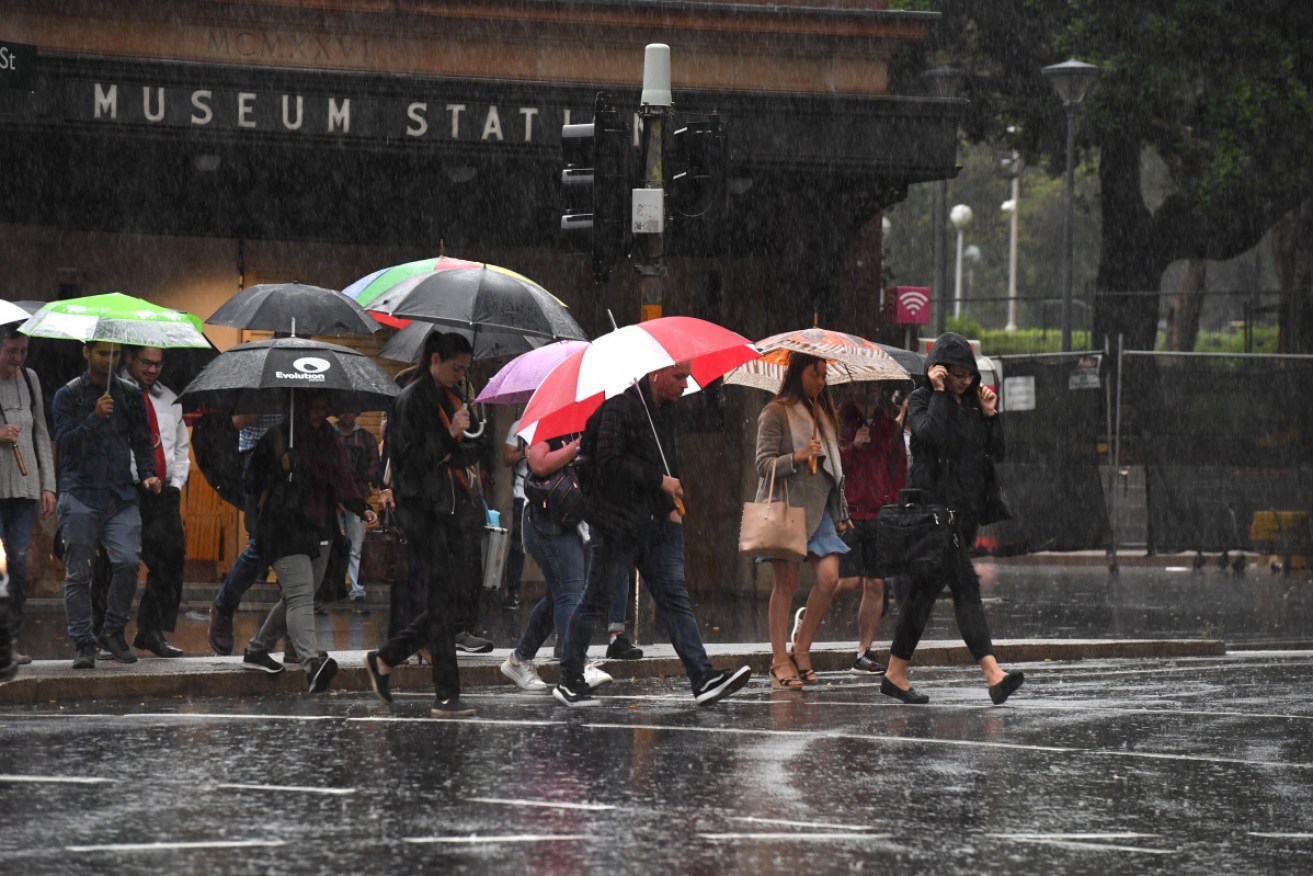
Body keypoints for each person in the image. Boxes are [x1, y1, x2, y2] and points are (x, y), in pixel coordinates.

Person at [553, 361, 752, 708]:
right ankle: (569, 677)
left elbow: (666, 460)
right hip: (617, 524)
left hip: (656, 523)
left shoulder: (666, 412)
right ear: (655, 374)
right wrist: (659, 481)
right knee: (595, 600)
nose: (685, 384)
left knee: (674, 599)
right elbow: (610, 461)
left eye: (688, 376)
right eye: (679, 376)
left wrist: (669, 505)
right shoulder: (620, 407)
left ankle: (701, 676)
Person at [881, 332, 1023, 706]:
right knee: (966, 587)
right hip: (934, 514)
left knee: (921, 596)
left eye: (967, 375)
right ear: (939, 368)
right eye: (956, 373)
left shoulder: (974, 404)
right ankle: (993, 674)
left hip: (963, 515)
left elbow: (997, 451)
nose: (963, 381)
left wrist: (991, 416)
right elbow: (934, 436)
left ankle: (895, 672)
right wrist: (941, 392)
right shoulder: (923, 399)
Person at [364, 332, 488, 717]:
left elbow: (465, 450)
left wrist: (466, 432)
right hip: (422, 512)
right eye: (456, 368)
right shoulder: (410, 400)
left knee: (449, 603)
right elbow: (409, 464)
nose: (460, 375)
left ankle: (386, 659)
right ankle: (446, 695)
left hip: (451, 509)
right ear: (435, 359)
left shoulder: (452, 397)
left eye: (466, 370)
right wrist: (449, 435)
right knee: (442, 601)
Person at [240, 391, 376, 692]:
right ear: (300, 406)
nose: (318, 414)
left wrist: (360, 507)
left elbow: (342, 479)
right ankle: (312, 663)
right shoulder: (277, 436)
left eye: (323, 408)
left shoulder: (329, 439)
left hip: (319, 529)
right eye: (313, 408)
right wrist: (280, 465)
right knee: (301, 595)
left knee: (297, 597)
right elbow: (250, 481)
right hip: (282, 528)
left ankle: (257, 649)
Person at [53, 341, 160, 669]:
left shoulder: (129, 393)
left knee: (128, 561)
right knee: (78, 574)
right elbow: (66, 444)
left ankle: (112, 631)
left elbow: (142, 440)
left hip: (120, 495)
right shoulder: (69, 395)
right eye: (103, 353)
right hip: (80, 492)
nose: (109, 361)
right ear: (86, 352)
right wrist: (95, 418)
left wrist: (148, 474)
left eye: (115, 354)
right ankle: (83, 641)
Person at [752, 352, 850, 690]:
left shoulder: (823, 414)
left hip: (820, 508)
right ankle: (779, 659)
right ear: (798, 373)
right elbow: (763, 465)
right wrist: (796, 457)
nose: (821, 382)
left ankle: (802, 646)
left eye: (825, 375)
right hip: (789, 506)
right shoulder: (775, 411)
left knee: (829, 577)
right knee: (787, 582)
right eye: (815, 374)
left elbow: (833, 472)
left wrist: (841, 513)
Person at [90, 346, 190, 657]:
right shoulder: (110, 393)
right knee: (118, 561)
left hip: (164, 493)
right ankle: (105, 632)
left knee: (171, 557)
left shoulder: (170, 398)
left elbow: (181, 446)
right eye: (146, 362)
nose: (152, 370)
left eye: (158, 365)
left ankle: (151, 630)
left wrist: (175, 483)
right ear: (130, 358)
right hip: (125, 489)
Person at [499, 433, 611, 693]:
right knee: (571, 591)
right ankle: (577, 667)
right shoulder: (550, 418)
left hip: (573, 518)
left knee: (558, 597)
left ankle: (520, 659)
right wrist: (575, 448)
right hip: (547, 518)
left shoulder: (582, 424)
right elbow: (538, 463)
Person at [834, 383, 908, 675]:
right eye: (866, 387)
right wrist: (853, 447)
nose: (872, 392)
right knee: (843, 582)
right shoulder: (839, 419)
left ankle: (863, 651)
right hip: (848, 513)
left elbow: (898, 470)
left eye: (876, 387)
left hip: (879, 513)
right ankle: (808, 617)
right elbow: (829, 463)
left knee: (875, 583)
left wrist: (893, 504)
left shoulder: (889, 425)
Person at [0, 325, 56, 674]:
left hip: (23, 489)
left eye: (23, 352)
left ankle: (11, 639)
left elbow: (41, 432)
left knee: (19, 567)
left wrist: (48, 485)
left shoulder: (30, 379)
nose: (18, 359)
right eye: (11, 352)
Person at [207, 410, 281, 655]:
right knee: (259, 548)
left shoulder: (303, 376)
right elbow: (237, 420)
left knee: (298, 548)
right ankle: (223, 608)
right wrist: (272, 401)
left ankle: (293, 636)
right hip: (259, 463)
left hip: (295, 461)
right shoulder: (258, 376)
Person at [334, 410, 381, 613]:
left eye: (351, 411)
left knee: (355, 544)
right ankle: (333, 587)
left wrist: (364, 483)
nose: (347, 415)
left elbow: (374, 467)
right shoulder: (332, 434)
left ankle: (356, 588)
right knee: (334, 546)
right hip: (335, 495)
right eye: (345, 410)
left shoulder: (365, 437)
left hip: (356, 495)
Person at [500, 415, 528, 609]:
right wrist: (523, 452)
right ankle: (512, 588)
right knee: (519, 542)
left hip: (549, 491)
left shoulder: (552, 423)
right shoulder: (519, 426)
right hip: (523, 491)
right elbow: (507, 458)